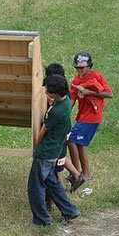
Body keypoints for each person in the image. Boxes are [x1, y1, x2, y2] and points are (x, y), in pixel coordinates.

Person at [28, 74, 80, 227]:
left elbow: (43, 130)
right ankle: (70, 211)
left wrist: (36, 148)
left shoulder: (56, 113)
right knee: (52, 182)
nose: (46, 93)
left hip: (46, 153)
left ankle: (42, 220)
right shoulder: (66, 102)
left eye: (48, 91)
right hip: (56, 151)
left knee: (35, 186)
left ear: (55, 93)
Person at [68, 52, 113, 180]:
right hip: (82, 116)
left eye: (82, 68)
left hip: (92, 116)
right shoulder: (76, 81)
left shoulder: (97, 77)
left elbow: (109, 94)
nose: (79, 71)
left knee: (71, 139)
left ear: (89, 66)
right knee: (80, 144)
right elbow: (72, 99)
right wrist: (66, 114)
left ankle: (78, 173)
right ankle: (82, 174)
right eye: (77, 68)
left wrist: (89, 92)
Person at [44, 63, 85, 194]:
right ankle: (76, 175)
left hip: (59, 133)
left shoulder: (57, 96)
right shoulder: (63, 91)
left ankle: (61, 189)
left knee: (58, 165)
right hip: (65, 131)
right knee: (61, 158)